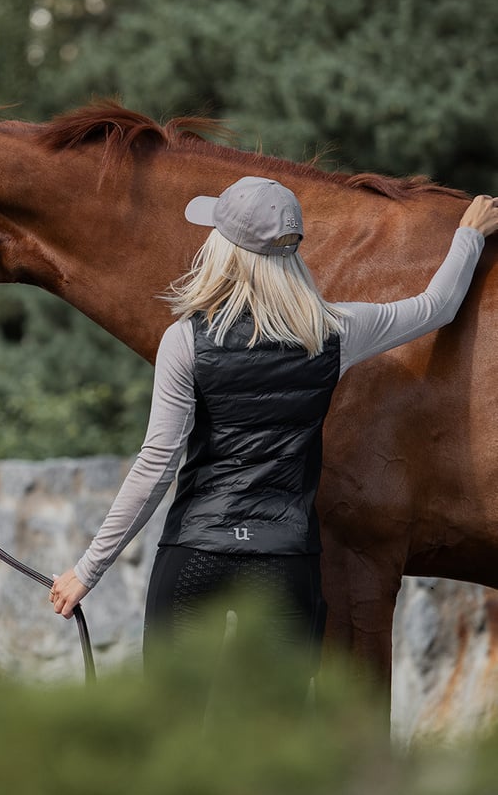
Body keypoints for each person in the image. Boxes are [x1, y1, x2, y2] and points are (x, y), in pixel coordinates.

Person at [49, 176, 498, 687]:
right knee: (274, 729)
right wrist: (469, 235)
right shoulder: (335, 332)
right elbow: (436, 307)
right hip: (285, 562)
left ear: (224, 252)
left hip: (196, 554)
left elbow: (156, 465)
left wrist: (87, 571)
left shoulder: (184, 341)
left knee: (171, 724)